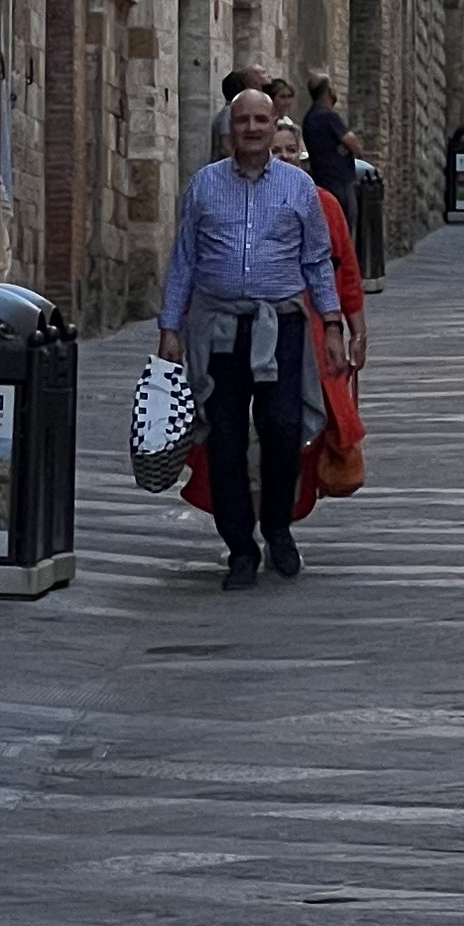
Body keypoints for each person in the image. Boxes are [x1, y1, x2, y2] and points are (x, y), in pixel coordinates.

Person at [160, 79, 350, 587]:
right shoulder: (203, 185)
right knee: (222, 439)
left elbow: (316, 261)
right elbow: (184, 261)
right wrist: (169, 328)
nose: (251, 129)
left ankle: (278, 527)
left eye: (260, 121)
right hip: (218, 329)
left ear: (273, 128)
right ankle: (239, 547)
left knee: (283, 426)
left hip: (281, 325)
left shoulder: (298, 189)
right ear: (229, 131)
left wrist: (332, 324)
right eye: (242, 121)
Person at [301, 73, 361, 229]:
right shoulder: (329, 117)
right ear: (328, 90)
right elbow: (355, 146)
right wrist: (346, 146)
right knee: (344, 228)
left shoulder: (309, 117)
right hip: (340, 182)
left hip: (321, 181)